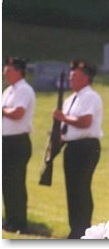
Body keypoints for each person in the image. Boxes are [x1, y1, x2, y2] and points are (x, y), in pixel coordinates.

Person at [53, 60, 103, 239]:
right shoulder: (70, 99)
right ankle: (75, 229)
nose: (70, 79)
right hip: (72, 146)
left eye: (75, 76)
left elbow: (86, 121)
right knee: (72, 189)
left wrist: (63, 117)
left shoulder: (91, 96)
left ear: (86, 78)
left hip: (86, 146)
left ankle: (83, 229)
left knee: (81, 187)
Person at [2, 57, 36, 234]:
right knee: (6, 183)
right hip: (6, 141)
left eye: (8, 71)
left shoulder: (24, 89)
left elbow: (18, 113)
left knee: (16, 182)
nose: (4, 74)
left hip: (17, 142)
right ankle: (10, 220)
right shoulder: (8, 91)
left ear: (18, 71)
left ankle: (20, 222)